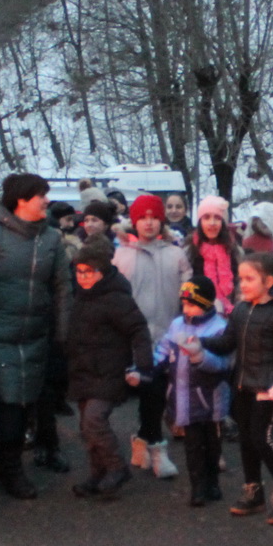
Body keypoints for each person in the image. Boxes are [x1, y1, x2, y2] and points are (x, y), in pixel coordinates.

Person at [0, 173, 70, 500]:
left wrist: (62, 332)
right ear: (21, 199)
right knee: (10, 402)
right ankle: (10, 467)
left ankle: (2, 464)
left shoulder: (51, 238)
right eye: (41, 195)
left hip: (37, 333)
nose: (46, 201)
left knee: (26, 400)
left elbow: (62, 287)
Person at [197, 252, 273, 523]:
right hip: (242, 384)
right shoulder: (241, 310)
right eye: (240, 279)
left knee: (261, 437)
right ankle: (253, 490)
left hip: (268, 388)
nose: (242, 284)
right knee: (246, 438)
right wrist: (200, 341)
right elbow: (227, 342)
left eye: (249, 279)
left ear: (268, 281)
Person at [67, 240, 154, 500]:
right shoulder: (81, 296)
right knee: (87, 426)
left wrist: (142, 365)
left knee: (94, 420)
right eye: (79, 271)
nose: (83, 277)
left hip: (109, 371)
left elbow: (138, 330)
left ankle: (117, 467)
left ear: (102, 271)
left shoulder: (116, 298)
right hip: (84, 371)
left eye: (89, 271)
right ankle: (98, 473)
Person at [115, 193, 191, 479]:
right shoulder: (122, 255)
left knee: (157, 395)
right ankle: (155, 447)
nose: (148, 223)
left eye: (154, 217)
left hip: (168, 335)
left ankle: (144, 441)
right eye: (143, 218)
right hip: (135, 338)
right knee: (150, 392)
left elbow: (187, 293)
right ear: (134, 221)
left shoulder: (175, 254)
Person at [156, 276, 231, 506]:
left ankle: (212, 482)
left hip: (211, 398)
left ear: (205, 303)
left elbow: (223, 364)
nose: (186, 309)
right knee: (192, 445)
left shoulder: (219, 329)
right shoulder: (178, 324)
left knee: (213, 444)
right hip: (184, 398)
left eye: (191, 304)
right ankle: (198, 487)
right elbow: (164, 348)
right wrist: (150, 364)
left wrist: (199, 355)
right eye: (184, 304)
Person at [187, 195, 239, 315]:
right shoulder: (190, 251)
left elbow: (240, 282)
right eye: (206, 217)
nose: (212, 223)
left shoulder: (234, 250)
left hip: (232, 312)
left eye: (217, 218)